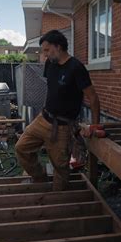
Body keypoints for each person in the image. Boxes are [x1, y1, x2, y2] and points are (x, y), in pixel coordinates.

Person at [15, 30, 100, 191]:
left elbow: (93, 98)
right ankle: (40, 179)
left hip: (62, 127)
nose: (44, 54)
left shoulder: (76, 68)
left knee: (61, 169)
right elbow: (53, 89)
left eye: (47, 50)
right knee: (21, 147)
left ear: (58, 47)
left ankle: (58, 201)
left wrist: (95, 126)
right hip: (43, 118)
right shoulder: (50, 64)